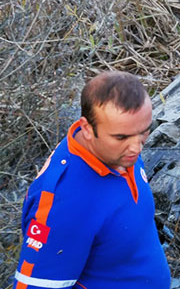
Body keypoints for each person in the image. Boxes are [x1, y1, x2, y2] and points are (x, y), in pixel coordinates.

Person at [13, 71, 171, 289]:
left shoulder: (118, 149)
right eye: (122, 137)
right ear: (87, 129)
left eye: (144, 132)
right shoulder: (65, 204)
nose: (137, 147)